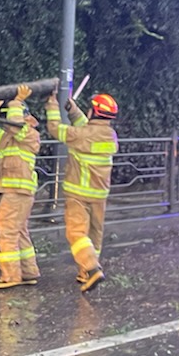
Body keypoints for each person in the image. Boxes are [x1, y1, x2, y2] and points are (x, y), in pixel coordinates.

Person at [45, 89, 118, 292]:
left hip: (78, 194)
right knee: (95, 234)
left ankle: (92, 269)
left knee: (76, 233)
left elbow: (54, 128)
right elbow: (86, 128)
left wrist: (52, 104)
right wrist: (73, 110)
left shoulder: (80, 135)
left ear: (93, 112)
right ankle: (86, 272)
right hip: (99, 195)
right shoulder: (110, 135)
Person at [0, 85, 41, 289]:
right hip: (16, 192)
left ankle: (10, 276)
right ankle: (28, 272)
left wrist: (17, 101)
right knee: (19, 231)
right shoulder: (7, 137)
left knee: (4, 231)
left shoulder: (28, 133)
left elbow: (15, 125)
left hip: (18, 192)